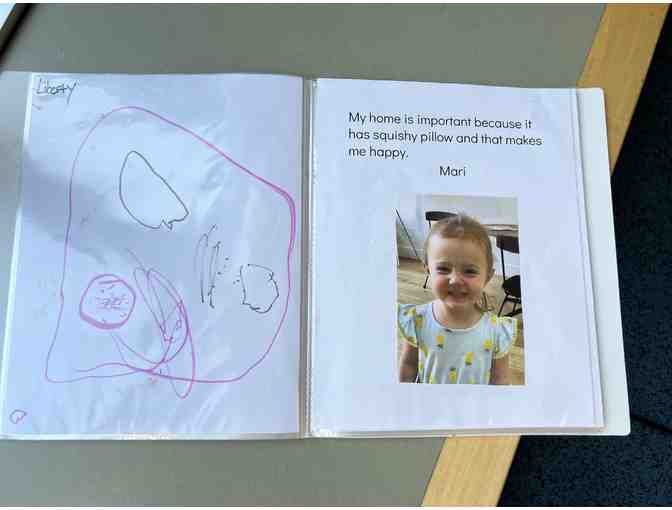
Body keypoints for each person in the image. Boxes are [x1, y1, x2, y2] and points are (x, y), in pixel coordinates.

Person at [398, 213, 517, 384]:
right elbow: (408, 365)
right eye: (443, 268)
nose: (454, 280)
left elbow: (501, 380)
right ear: (428, 271)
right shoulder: (416, 321)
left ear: (488, 277)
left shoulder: (497, 332)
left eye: (469, 271)